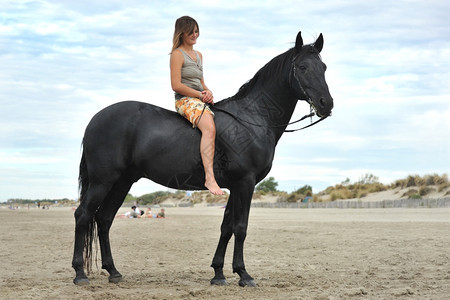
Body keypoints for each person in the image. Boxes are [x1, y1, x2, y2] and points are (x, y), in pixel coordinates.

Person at [170, 16, 224, 195]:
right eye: (191, 32)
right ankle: (209, 178)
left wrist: (208, 92)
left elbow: (201, 82)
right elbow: (176, 85)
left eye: (196, 31)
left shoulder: (199, 55)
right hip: (185, 100)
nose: (195, 35)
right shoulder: (177, 54)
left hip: (199, 98)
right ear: (182, 33)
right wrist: (199, 94)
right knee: (209, 128)